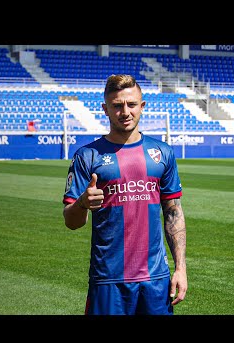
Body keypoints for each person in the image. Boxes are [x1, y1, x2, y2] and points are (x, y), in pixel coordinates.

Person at [62, 74, 187, 315]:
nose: (125, 112)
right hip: (108, 279)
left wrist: (180, 268)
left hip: (155, 279)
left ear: (142, 106)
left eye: (131, 104)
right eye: (117, 106)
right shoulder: (87, 156)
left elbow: (173, 213)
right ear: (105, 109)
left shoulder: (162, 153)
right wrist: (82, 204)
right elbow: (71, 222)